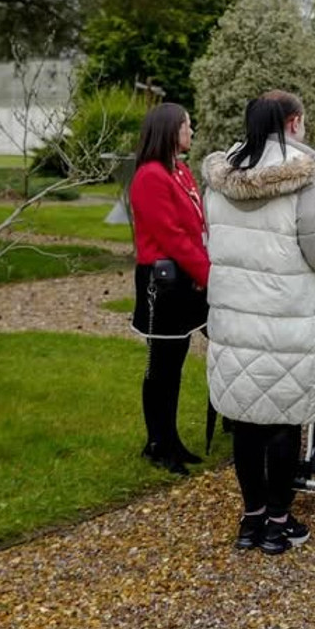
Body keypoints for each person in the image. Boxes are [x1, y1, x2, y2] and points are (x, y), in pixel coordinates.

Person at [202, 90, 315, 555]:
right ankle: (277, 520)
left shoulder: (221, 175)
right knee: (284, 422)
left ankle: (250, 520)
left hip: (236, 318)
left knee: (247, 421)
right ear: (292, 123)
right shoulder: (307, 177)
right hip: (288, 318)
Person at [129, 102, 211, 477]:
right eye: (186, 127)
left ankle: (171, 437)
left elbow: (195, 226)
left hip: (184, 278)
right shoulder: (150, 176)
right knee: (160, 366)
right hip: (162, 284)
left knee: (175, 364)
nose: (191, 132)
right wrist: (207, 273)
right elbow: (172, 237)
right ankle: (157, 443)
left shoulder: (178, 171)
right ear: (168, 130)